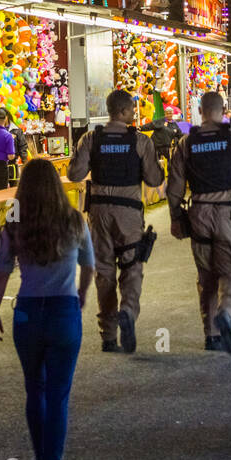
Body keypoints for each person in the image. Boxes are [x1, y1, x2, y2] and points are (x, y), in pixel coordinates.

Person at [0, 158, 95, 460]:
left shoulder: (15, 224)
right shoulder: (74, 220)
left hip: (27, 314)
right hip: (64, 310)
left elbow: (2, 270)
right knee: (58, 394)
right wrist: (81, 294)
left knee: (34, 388)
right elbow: (90, 265)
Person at [167, 91, 231, 355]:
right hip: (229, 213)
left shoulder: (186, 142)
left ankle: (211, 334)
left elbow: (175, 187)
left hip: (199, 213)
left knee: (206, 276)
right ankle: (226, 313)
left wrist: (176, 217)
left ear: (200, 111)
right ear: (223, 111)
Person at [67, 88, 164, 353]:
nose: (134, 112)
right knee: (132, 266)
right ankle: (128, 313)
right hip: (129, 213)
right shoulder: (140, 140)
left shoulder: (90, 138)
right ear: (122, 111)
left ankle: (108, 336)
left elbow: (75, 174)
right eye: (132, 108)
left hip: (98, 213)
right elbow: (155, 180)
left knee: (105, 271)